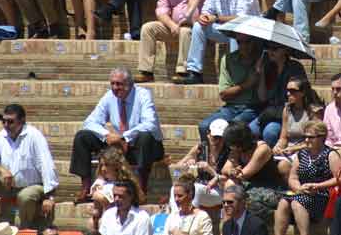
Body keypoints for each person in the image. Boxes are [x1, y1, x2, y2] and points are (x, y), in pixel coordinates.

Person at [69, 66, 164, 202]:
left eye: (119, 84)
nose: (115, 87)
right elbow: (89, 122)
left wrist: (124, 137)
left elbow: (150, 124)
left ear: (129, 84)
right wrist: (107, 135)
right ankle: (85, 186)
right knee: (82, 136)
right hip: (119, 145)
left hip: (145, 145)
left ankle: (141, 189)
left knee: (145, 136)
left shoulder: (143, 95)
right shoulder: (109, 96)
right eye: (112, 83)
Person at [0, 104, 58, 231]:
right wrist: (2, 170)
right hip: (9, 185)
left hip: (33, 186)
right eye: (4, 121)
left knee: (25, 196)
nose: (6, 125)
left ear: (22, 121)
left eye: (10, 122)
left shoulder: (34, 136)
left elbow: (47, 165)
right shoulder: (1, 136)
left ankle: (26, 228)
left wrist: (49, 197)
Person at [176, 0, 259, 85]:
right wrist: (204, 17)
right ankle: (195, 72)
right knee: (199, 26)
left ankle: (235, 74)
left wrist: (216, 18)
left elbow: (242, 18)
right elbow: (207, 9)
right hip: (225, 29)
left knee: (235, 28)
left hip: (249, 31)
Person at [135, 0, 207, 83]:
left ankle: (183, 72)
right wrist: (172, 25)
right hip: (173, 26)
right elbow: (161, 9)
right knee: (147, 28)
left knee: (186, 31)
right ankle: (146, 71)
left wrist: (187, 15)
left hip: (194, 26)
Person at [274, 120, 341, 235]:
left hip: (323, 194)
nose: (306, 140)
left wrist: (317, 186)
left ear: (322, 137)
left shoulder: (330, 154)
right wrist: (298, 188)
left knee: (297, 202)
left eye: (311, 137)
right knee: (283, 202)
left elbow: (340, 178)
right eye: (305, 136)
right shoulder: (302, 154)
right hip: (303, 191)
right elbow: (293, 177)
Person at [197, 34, 262, 141]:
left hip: (253, 108)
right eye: (239, 42)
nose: (243, 46)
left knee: (233, 128)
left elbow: (264, 96)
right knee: (204, 126)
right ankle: (207, 155)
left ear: (255, 42)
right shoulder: (228, 59)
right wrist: (247, 84)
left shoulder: (263, 60)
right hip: (231, 107)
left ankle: (230, 157)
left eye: (248, 42)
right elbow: (224, 94)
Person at [248, 43, 306, 147]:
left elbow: (298, 97)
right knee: (248, 131)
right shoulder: (268, 67)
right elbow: (262, 97)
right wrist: (261, 74)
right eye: (268, 48)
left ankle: (270, 160)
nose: (271, 52)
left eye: (274, 48)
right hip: (267, 113)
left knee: (270, 133)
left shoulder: (295, 68)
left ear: (285, 50)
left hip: (287, 113)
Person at [168, 119, 230, 212]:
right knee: (176, 188)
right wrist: (187, 165)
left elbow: (228, 180)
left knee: (196, 189)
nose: (217, 141)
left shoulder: (229, 153)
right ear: (208, 134)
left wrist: (211, 171)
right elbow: (178, 167)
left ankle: (190, 216)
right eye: (215, 137)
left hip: (219, 191)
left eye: (220, 138)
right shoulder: (200, 148)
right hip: (201, 187)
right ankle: (176, 217)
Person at [272, 76, 325, 178]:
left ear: (302, 93)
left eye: (292, 91)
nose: (288, 94)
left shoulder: (314, 112)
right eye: (287, 90)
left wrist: (295, 148)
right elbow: (283, 137)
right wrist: (278, 146)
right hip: (290, 149)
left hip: (308, 148)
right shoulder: (287, 110)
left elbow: (316, 139)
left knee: (283, 166)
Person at [88, 146, 145, 233]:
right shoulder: (101, 183)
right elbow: (97, 210)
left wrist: (103, 199)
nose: (103, 169)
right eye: (101, 165)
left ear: (116, 165)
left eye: (107, 165)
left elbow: (121, 207)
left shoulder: (125, 184)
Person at [220, 122, 284, 190]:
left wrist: (234, 174)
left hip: (266, 186)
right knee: (222, 179)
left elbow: (244, 175)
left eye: (230, 144)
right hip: (247, 182)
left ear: (239, 142)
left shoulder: (262, 149)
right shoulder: (236, 150)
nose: (229, 146)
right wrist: (231, 171)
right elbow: (224, 169)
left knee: (230, 184)